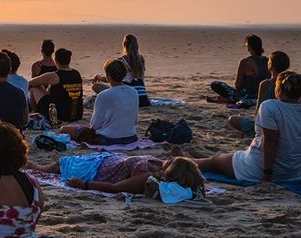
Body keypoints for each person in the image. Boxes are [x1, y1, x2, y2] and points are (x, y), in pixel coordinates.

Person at [194, 70, 301, 183]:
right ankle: (209, 158)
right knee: (224, 158)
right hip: (294, 172)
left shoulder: (270, 106)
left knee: (214, 163)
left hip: (258, 168)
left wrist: (267, 173)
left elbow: (270, 141)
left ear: (279, 89)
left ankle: (185, 162)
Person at [36, 154, 205, 197]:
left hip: (97, 170)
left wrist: (83, 185)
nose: (169, 158)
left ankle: (35, 167)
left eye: (172, 160)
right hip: (107, 159)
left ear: (172, 170)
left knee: (61, 163)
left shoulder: (145, 178)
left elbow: (114, 188)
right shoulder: (159, 165)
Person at [62, 58, 138, 146]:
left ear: (108, 75)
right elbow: (135, 121)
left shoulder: (104, 95)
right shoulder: (133, 92)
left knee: (64, 129)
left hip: (109, 139)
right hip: (131, 137)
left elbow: (95, 126)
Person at [227, 50, 289, 136]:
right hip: (288, 124)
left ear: (270, 65)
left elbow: (258, 112)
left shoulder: (265, 84)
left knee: (232, 119)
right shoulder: (290, 83)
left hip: (267, 127)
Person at [28, 47, 84, 123]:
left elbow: (31, 82)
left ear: (56, 60)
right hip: (77, 114)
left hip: (59, 115)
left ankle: (36, 112)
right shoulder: (77, 73)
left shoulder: (55, 76)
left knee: (34, 88)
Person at [92, 33, 150, 107]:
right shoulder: (141, 59)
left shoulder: (122, 60)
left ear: (124, 45)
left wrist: (99, 77)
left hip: (127, 96)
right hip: (142, 97)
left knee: (96, 86)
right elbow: (141, 78)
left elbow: (113, 79)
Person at [210, 33, 270, 102]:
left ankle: (230, 98)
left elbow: (237, 85)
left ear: (249, 47)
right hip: (263, 95)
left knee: (215, 84)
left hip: (247, 95)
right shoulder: (268, 61)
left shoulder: (245, 62)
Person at [28, 39, 56, 107]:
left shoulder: (37, 65)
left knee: (32, 88)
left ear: (42, 50)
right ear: (53, 51)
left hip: (40, 97)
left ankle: (35, 110)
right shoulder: (57, 66)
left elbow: (33, 83)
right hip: (54, 96)